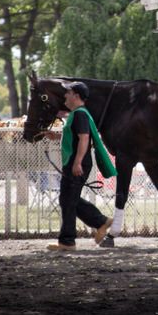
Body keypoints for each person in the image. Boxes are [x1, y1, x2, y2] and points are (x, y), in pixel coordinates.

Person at [43, 81, 115, 251]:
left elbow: (84, 138)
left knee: (68, 199)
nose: (65, 96)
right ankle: (98, 223)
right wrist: (56, 136)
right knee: (68, 199)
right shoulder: (77, 114)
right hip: (76, 162)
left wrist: (77, 162)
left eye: (67, 93)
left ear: (76, 95)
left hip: (78, 163)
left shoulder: (80, 114)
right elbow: (76, 137)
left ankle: (69, 241)